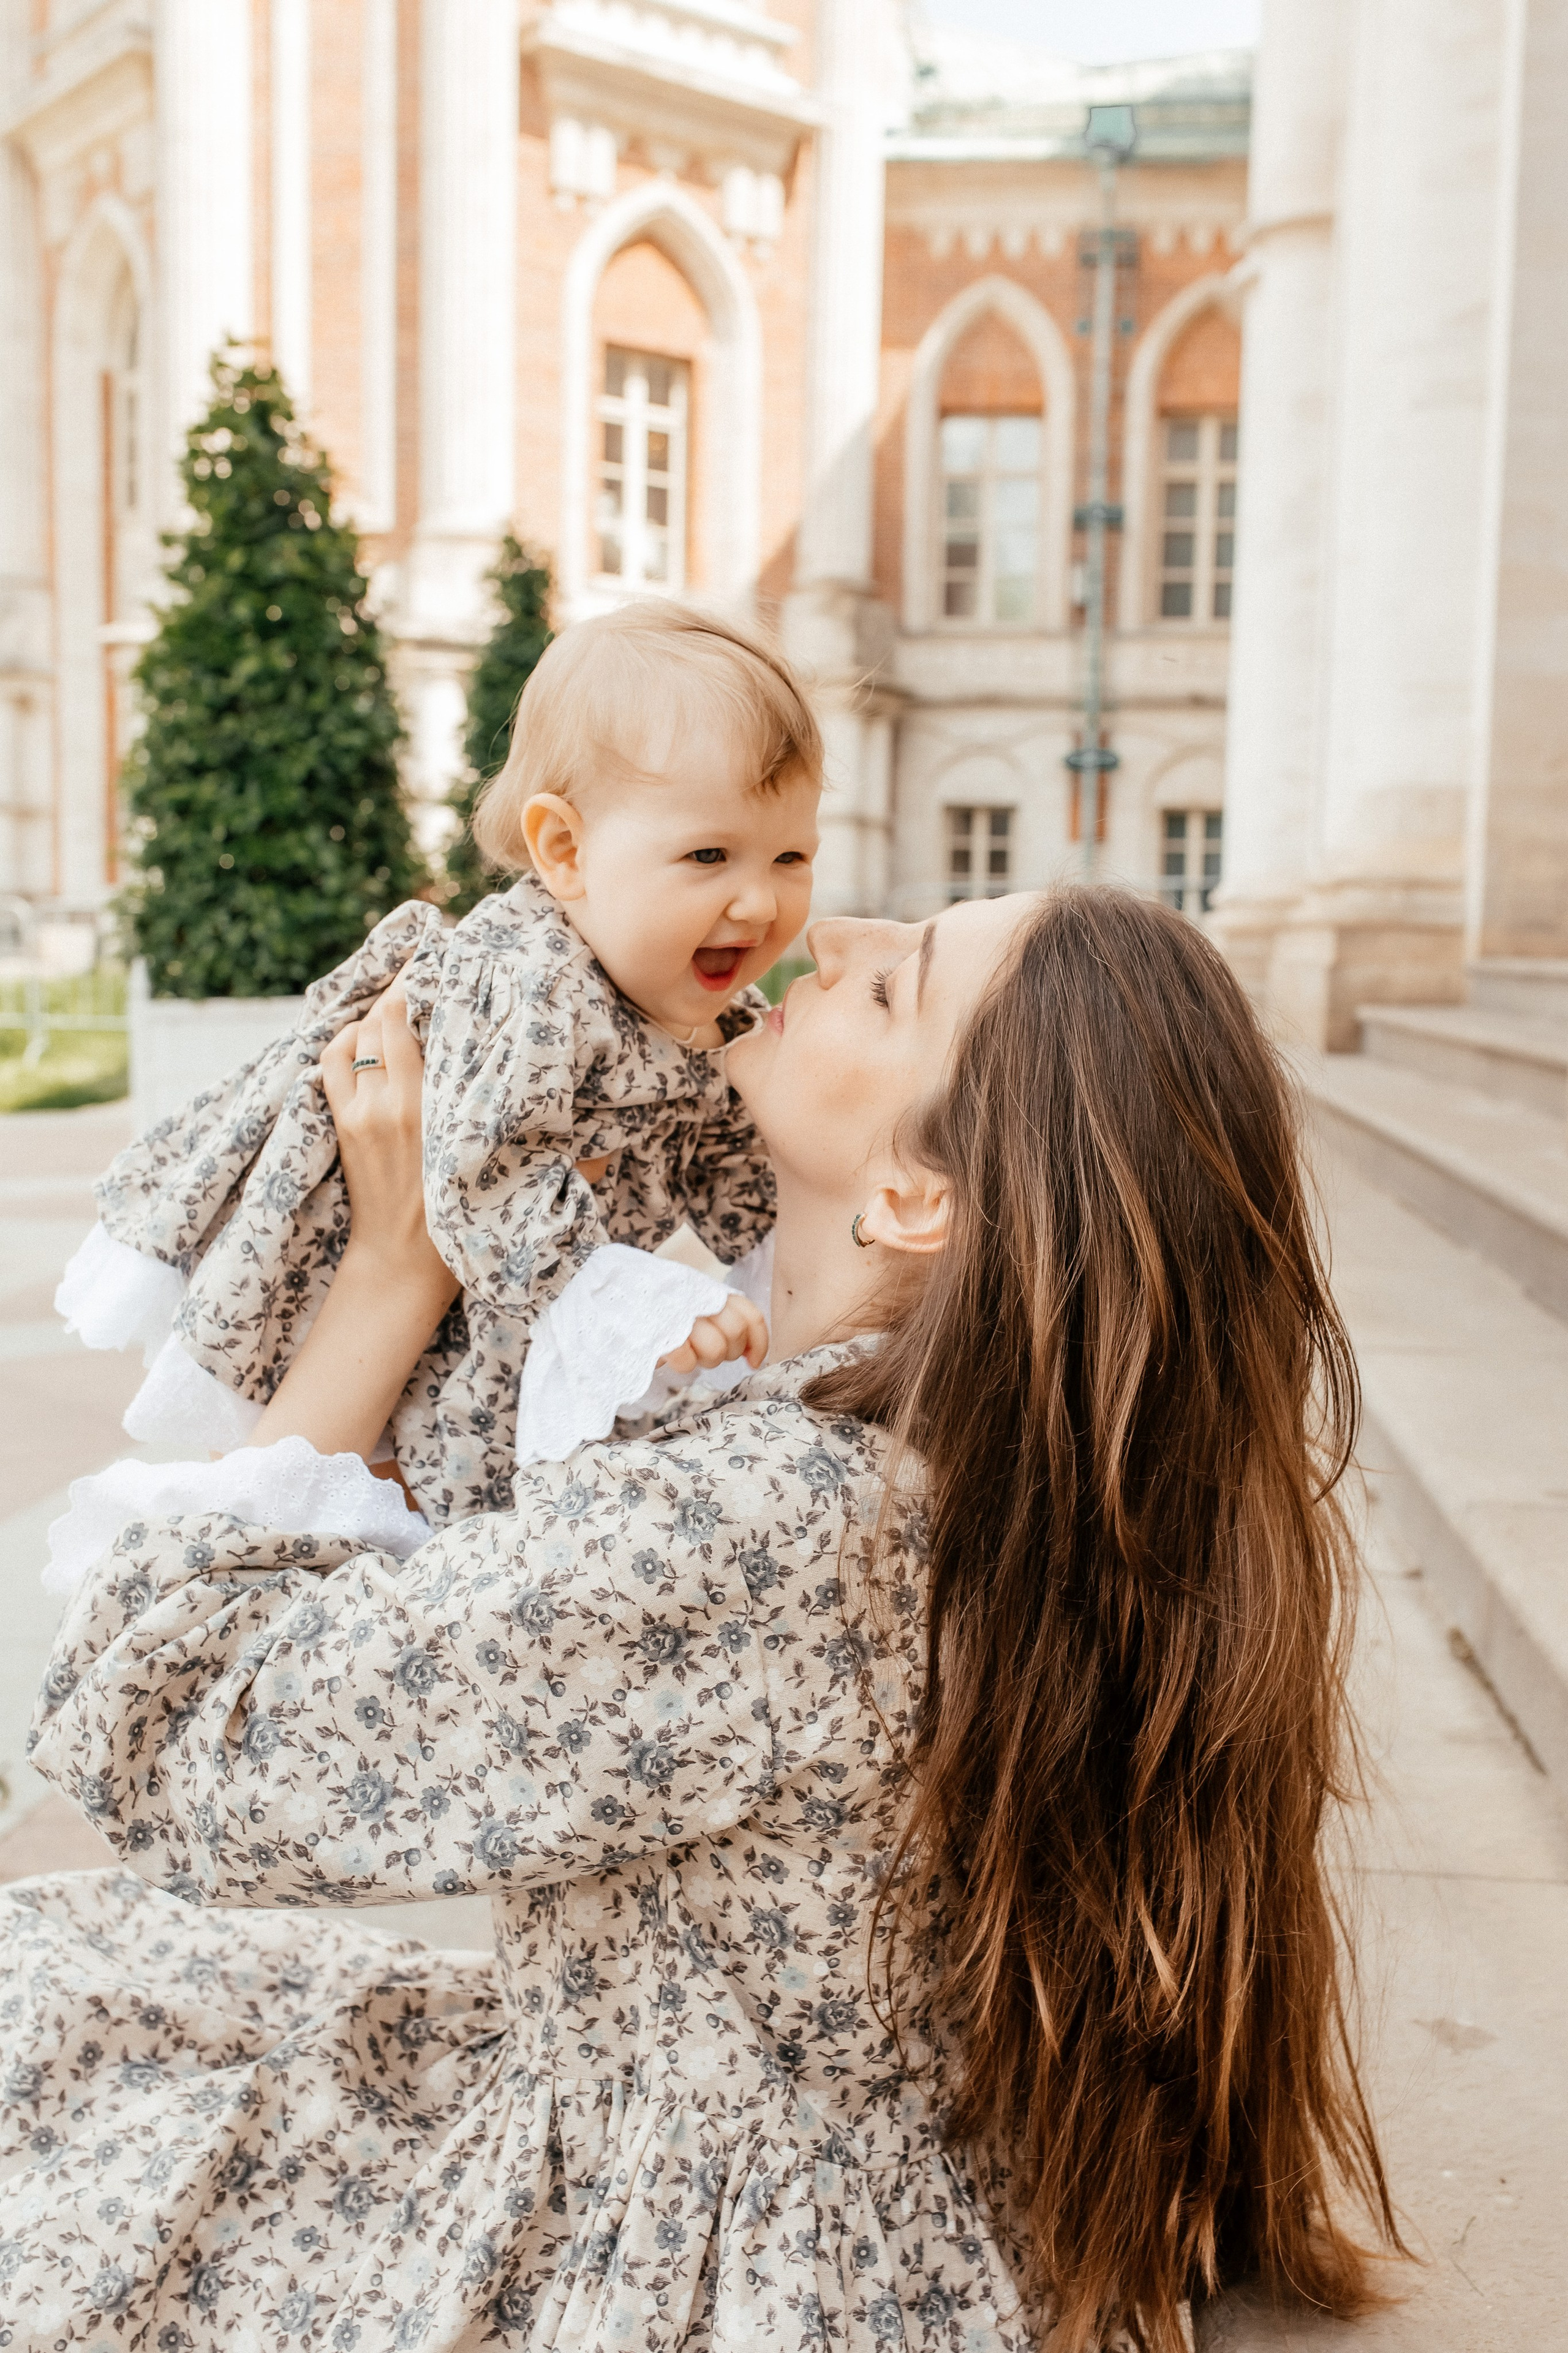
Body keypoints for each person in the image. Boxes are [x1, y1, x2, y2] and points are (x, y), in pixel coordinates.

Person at [0, 889, 1398, 2352]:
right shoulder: (976, 1459)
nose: (834, 929)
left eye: (887, 988)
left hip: (687, 2246)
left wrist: (391, 1270)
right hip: (856, 2193)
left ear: (915, 1198)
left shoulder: (768, 1523)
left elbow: (169, 1736)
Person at [52, 602, 818, 1541]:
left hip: (502, 1287)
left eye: (792, 855)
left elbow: (733, 1158)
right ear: (566, 851)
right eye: (709, 854)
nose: (759, 898)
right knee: (380, 1482)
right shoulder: (528, 982)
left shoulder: (703, 1010)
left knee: (459, 1467)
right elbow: (485, 1171)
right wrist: (634, 1303)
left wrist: (779, 1277)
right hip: (372, 1250)